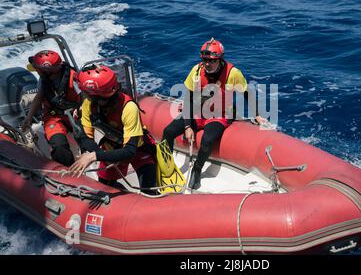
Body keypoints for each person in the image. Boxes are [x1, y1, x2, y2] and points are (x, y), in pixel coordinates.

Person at [162, 38, 266, 190]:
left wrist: (256, 114)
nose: (208, 64)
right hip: (198, 111)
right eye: (205, 60)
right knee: (168, 131)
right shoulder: (196, 70)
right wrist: (187, 126)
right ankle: (167, 166)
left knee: (208, 140)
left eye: (212, 60)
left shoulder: (233, 73)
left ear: (220, 59)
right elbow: (188, 97)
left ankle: (197, 169)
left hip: (220, 114)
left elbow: (246, 93)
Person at [68, 64, 157, 195]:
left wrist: (94, 156)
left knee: (149, 190)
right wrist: (98, 154)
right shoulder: (88, 103)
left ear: (99, 97)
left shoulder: (129, 108)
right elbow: (85, 137)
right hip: (111, 147)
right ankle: (123, 193)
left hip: (139, 148)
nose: (84, 96)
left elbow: (130, 151)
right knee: (104, 187)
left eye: (87, 94)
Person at [21, 50, 81, 166]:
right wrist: (29, 117)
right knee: (58, 146)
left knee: (86, 142)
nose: (37, 72)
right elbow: (39, 97)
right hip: (53, 116)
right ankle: (67, 172)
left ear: (49, 71)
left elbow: (86, 99)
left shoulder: (73, 78)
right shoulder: (43, 80)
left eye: (39, 70)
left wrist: (79, 112)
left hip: (76, 114)